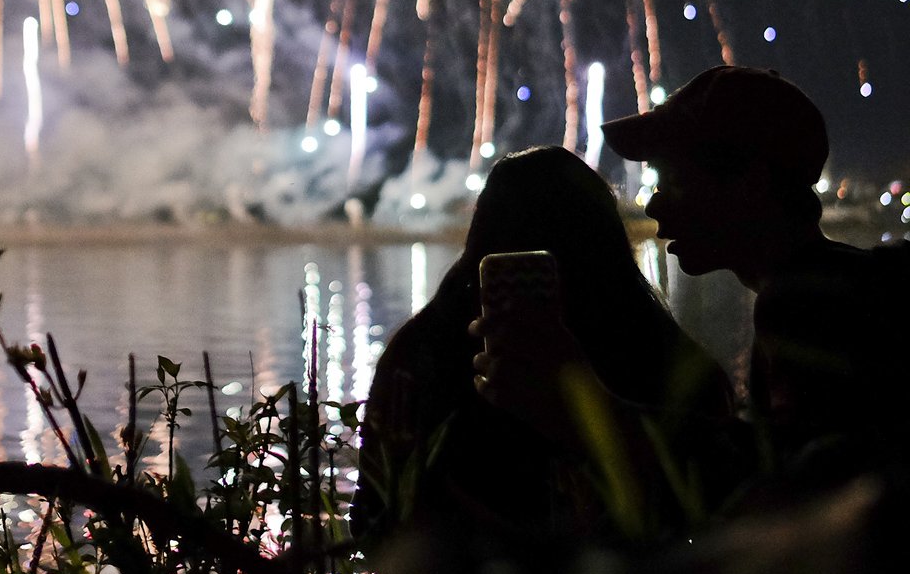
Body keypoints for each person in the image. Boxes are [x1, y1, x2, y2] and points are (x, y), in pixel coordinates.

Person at [352, 145, 733, 545]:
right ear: (604, 240)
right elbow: (714, 504)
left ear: (482, 236)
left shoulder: (424, 351)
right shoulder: (659, 352)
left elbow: (376, 517)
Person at [602, 65, 910, 480]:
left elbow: (791, 481)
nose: (654, 207)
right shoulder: (842, 286)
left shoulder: (803, 305)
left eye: (672, 181)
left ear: (751, 183)